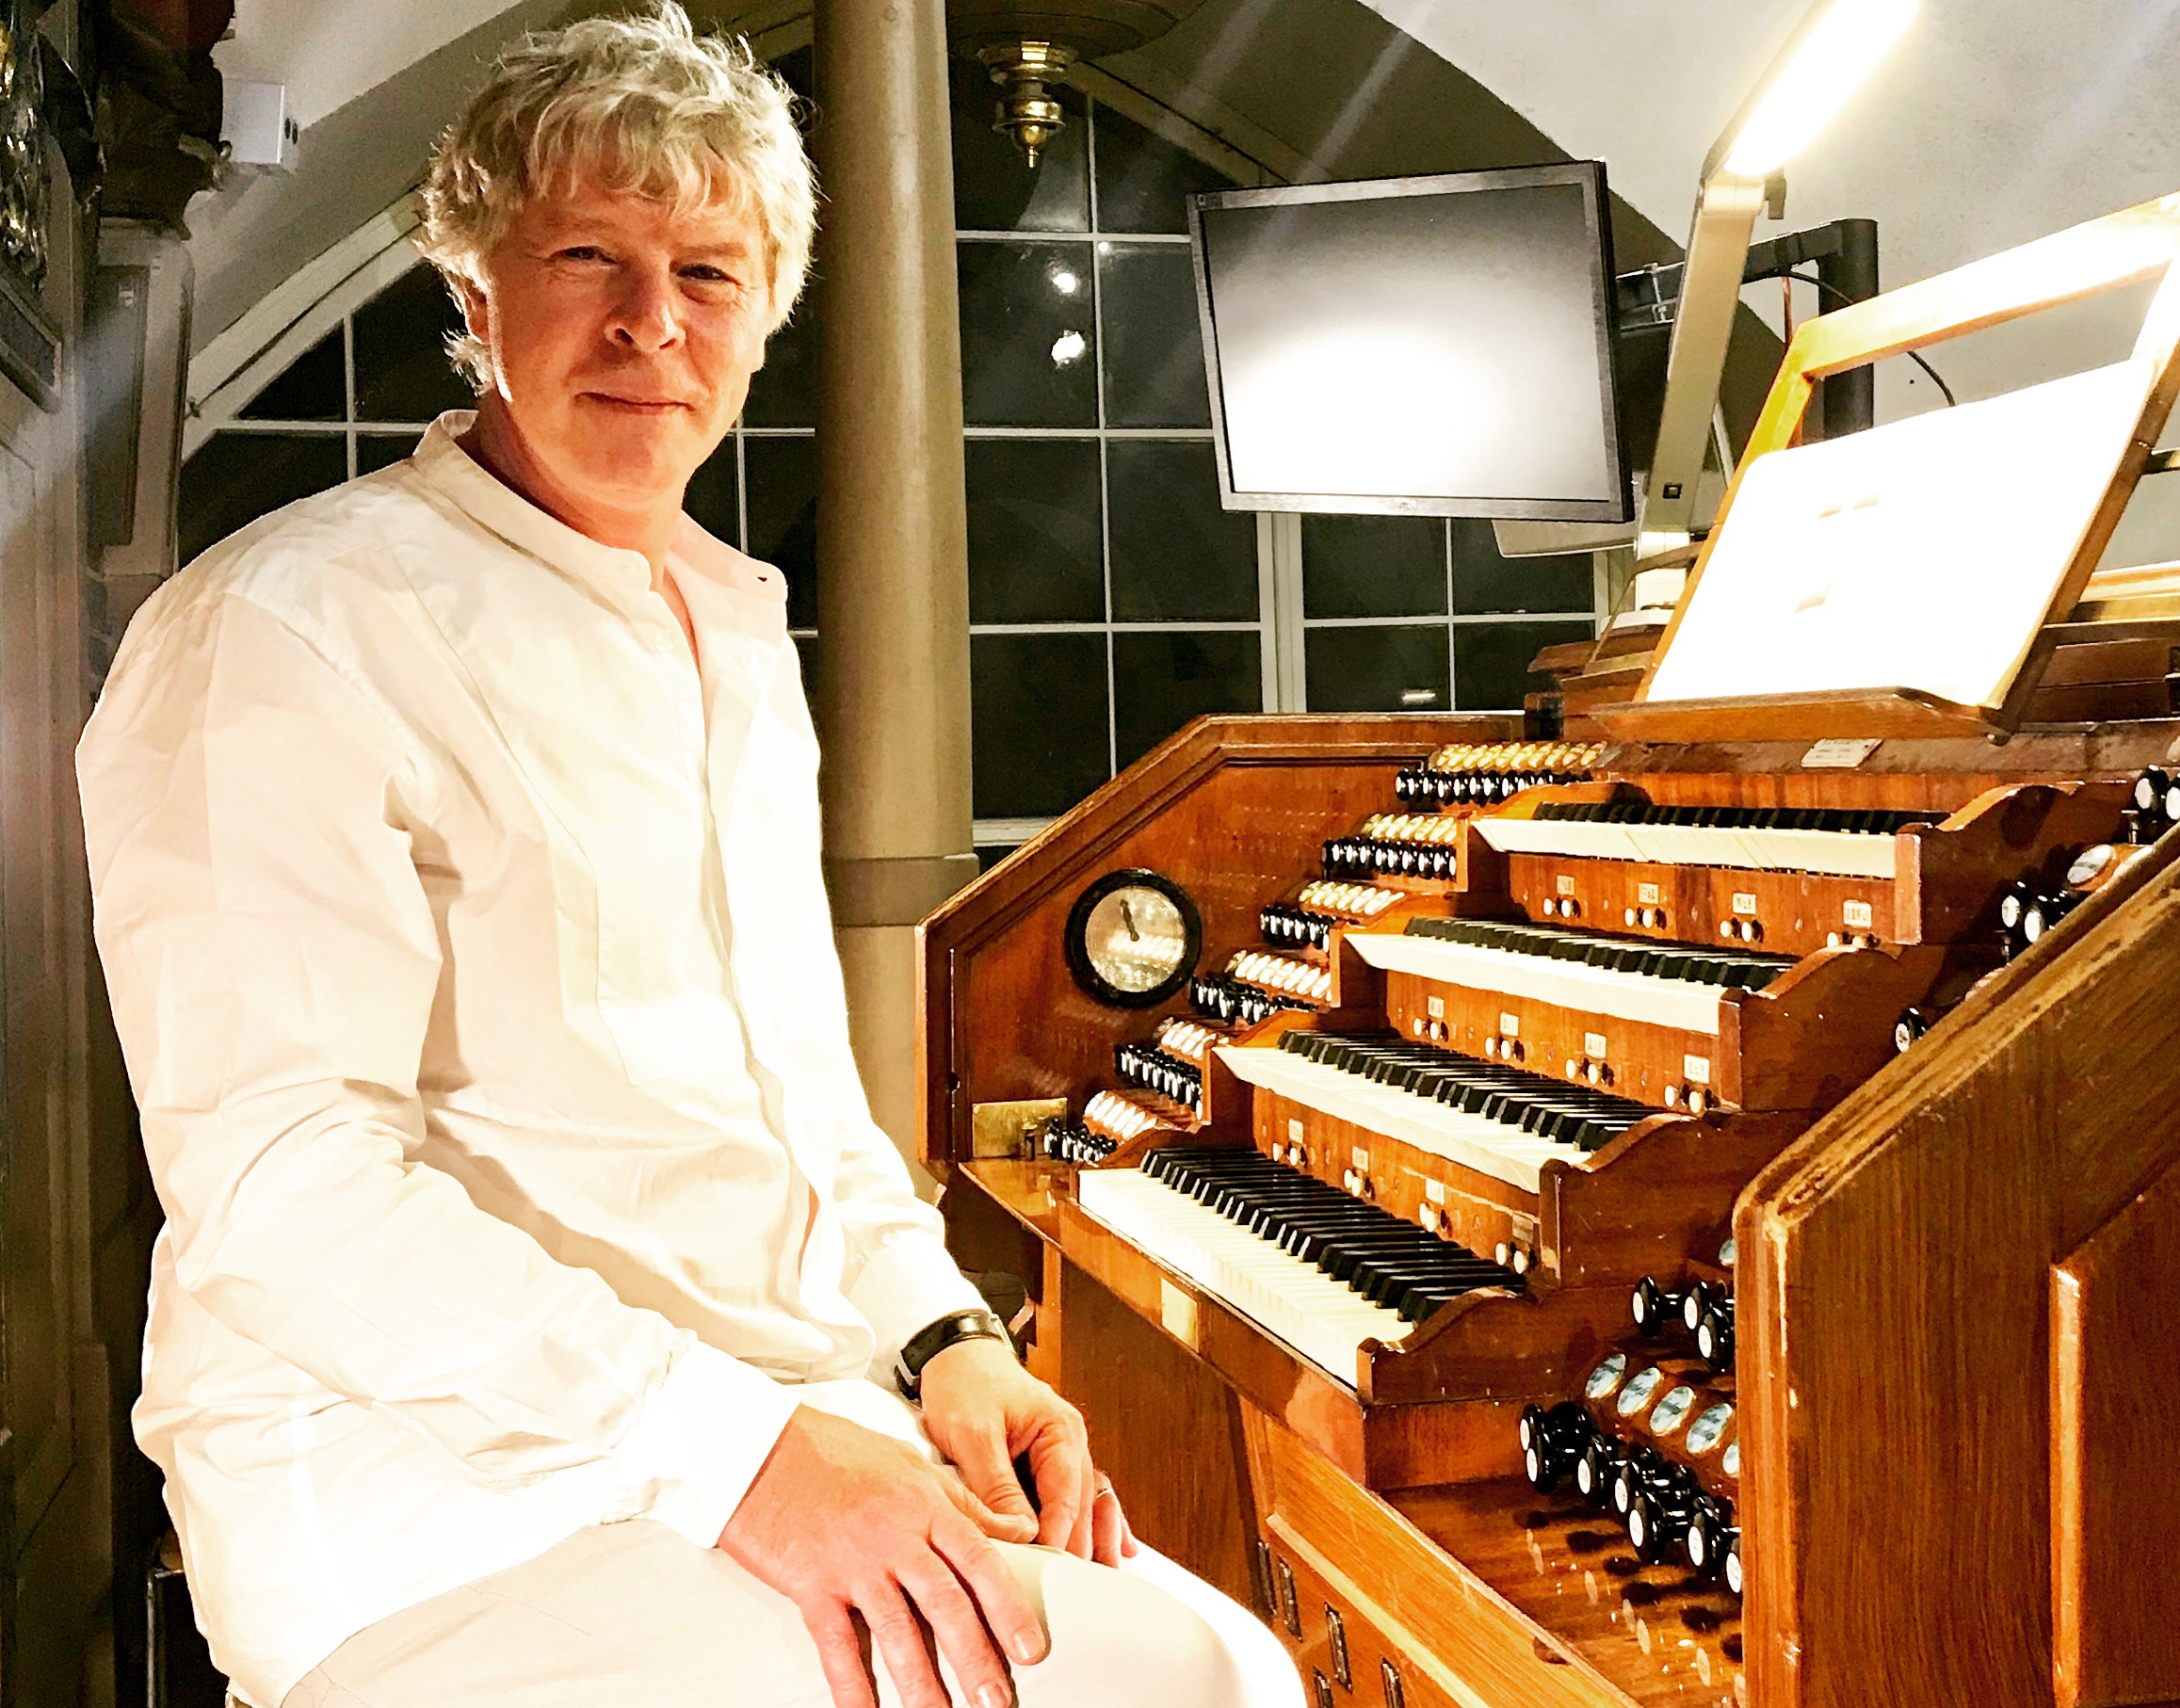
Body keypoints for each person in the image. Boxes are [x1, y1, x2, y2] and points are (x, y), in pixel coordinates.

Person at [79, 9, 1297, 1707]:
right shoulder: (287, 623)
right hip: (422, 1498)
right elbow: (286, 1192)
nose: (652, 323)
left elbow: (799, 1100)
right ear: (474, 292)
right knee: (1174, 1683)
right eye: (588, 254)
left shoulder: (726, 625)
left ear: (761, 320)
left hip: (756, 1402)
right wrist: (743, 1460)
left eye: (707, 275)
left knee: (1222, 1645)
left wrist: (945, 1338)